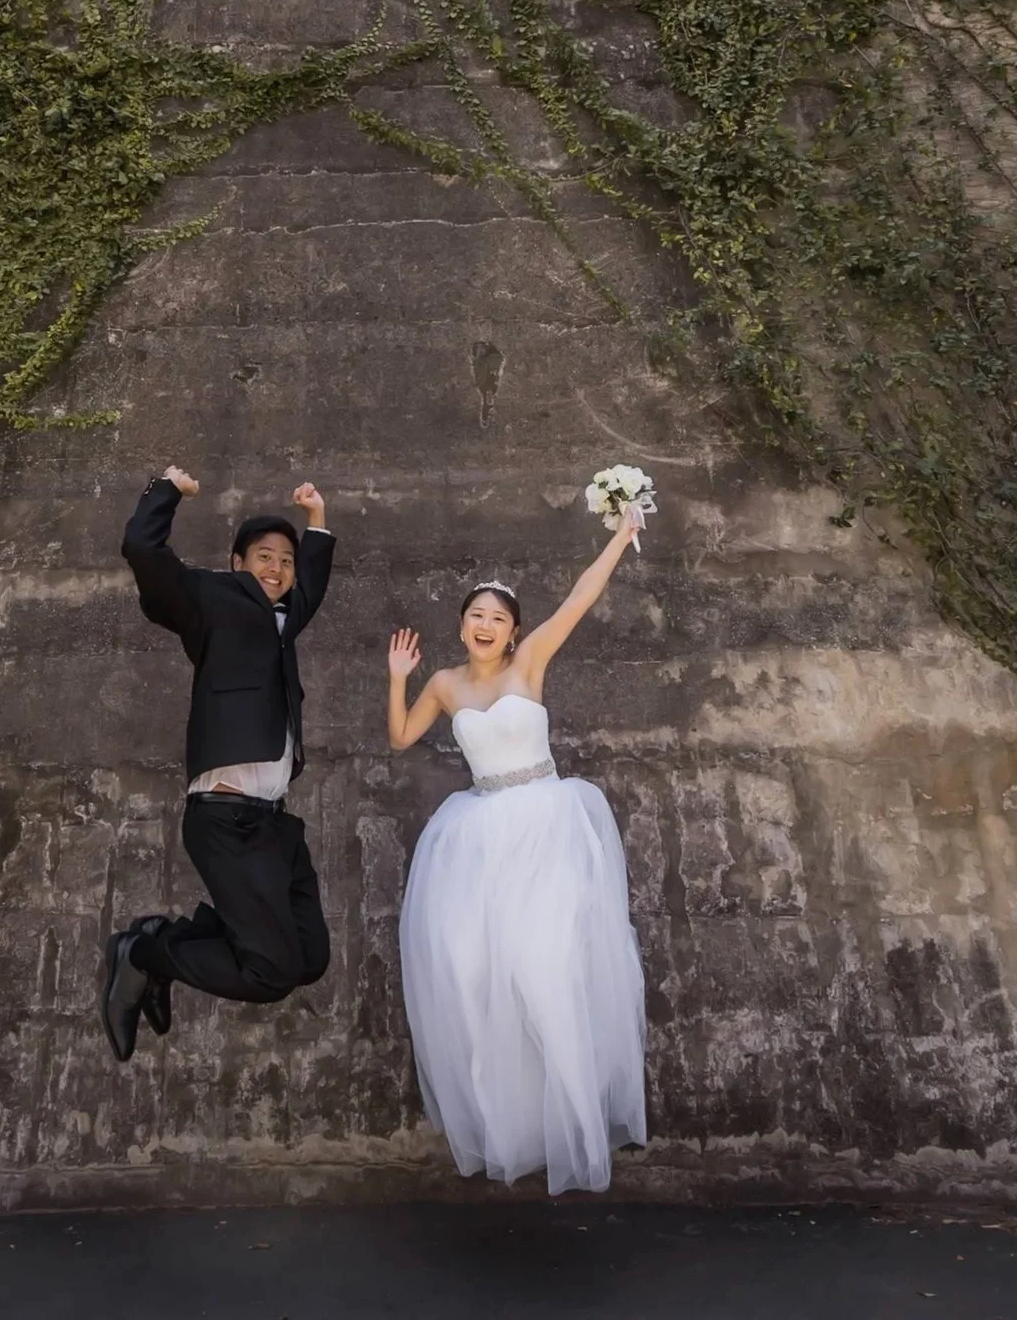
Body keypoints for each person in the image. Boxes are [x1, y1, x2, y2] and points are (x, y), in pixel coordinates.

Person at [385, 503, 649, 1193]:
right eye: (477, 614)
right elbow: (401, 737)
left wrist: (620, 536)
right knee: (470, 969)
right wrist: (396, 675)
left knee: (542, 965)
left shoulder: (530, 661)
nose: (485, 625)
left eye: (498, 617)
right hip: (480, 831)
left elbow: (581, 595)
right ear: (463, 623)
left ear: (513, 631)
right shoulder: (445, 683)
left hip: (546, 820)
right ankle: (508, 1123)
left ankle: (575, 1120)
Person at [101, 465, 336, 1061]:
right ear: (237, 565)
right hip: (226, 817)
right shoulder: (210, 601)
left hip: (273, 823)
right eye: (263, 557)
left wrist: (317, 520)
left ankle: (166, 940)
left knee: (308, 958)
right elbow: (142, 550)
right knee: (269, 971)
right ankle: (144, 956)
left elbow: (310, 581)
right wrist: (166, 491)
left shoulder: (286, 621)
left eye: (284, 560)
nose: (277, 568)